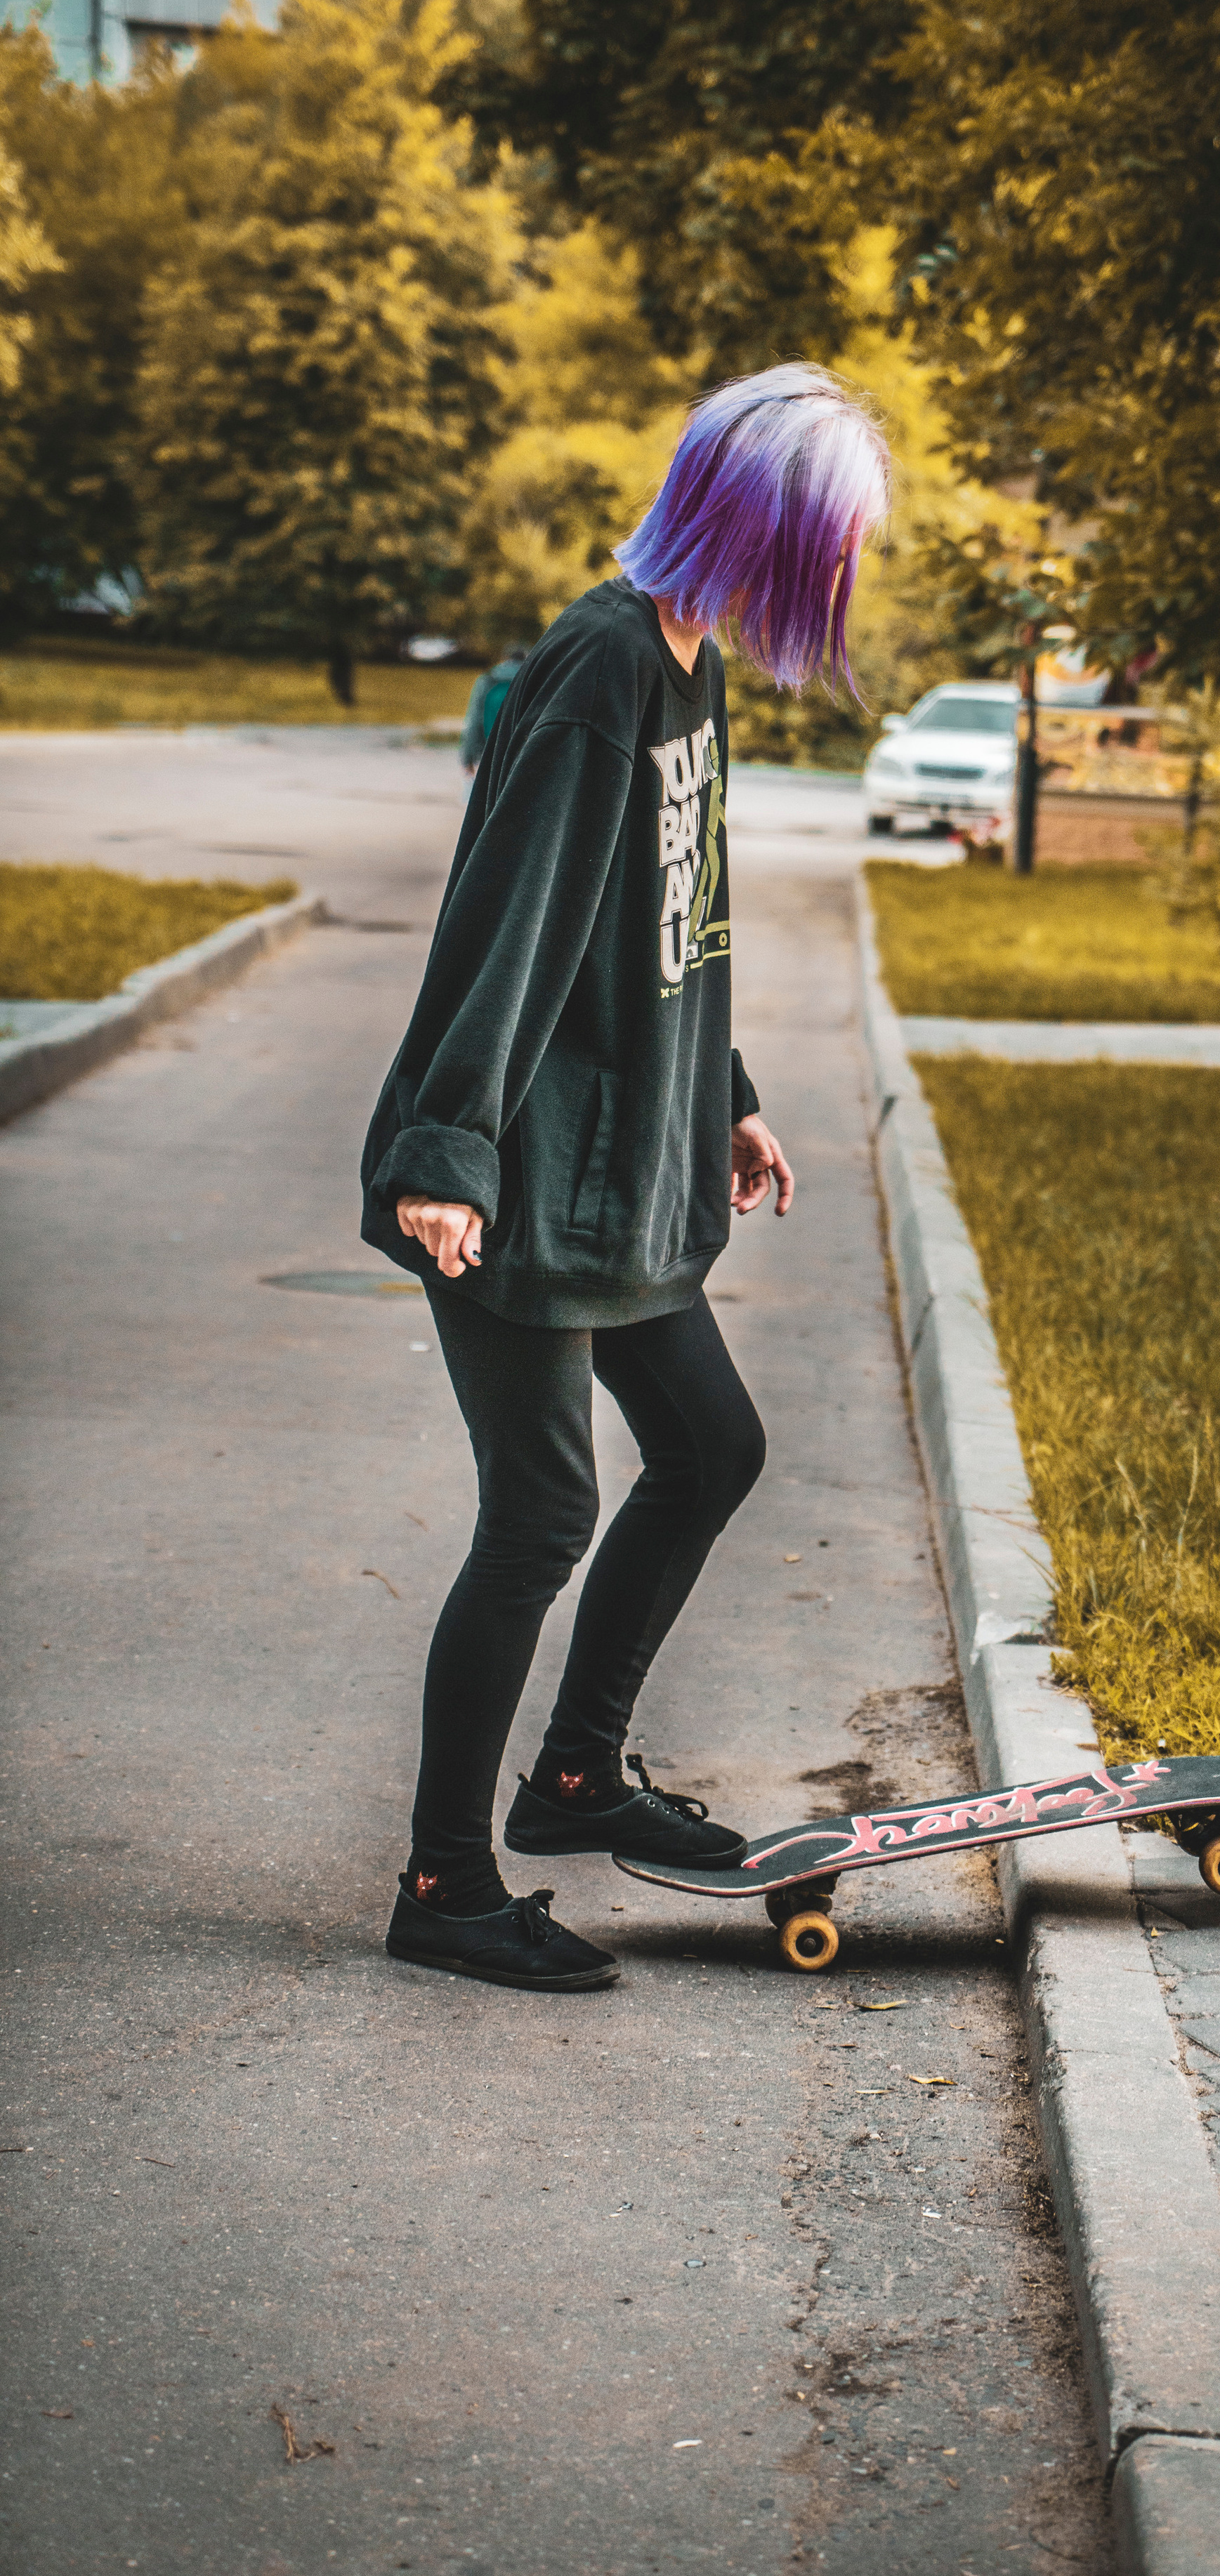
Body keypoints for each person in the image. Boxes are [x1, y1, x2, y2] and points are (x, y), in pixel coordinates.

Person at [361, 364, 890, 1993]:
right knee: (539, 1515)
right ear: (763, 529)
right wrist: (445, 1151)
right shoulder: (595, 670)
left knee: (710, 1444)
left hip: (634, 1171)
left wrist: (725, 1095)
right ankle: (446, 1880)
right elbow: (502, 925)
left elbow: (679, 917)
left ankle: (576, 1776)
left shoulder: (689, 665)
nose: (840, 583)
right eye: (831, 546)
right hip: (521, 1181)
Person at [459, 643, 528, 784]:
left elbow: (474, 720)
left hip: (489, 751)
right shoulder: (531, 681)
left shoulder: (488, 680)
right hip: (523, 752)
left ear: (505, 658)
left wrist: (468, 758)